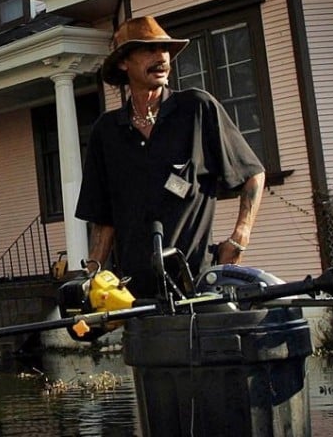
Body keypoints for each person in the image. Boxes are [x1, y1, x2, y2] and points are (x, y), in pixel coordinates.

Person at [74, 16, 265, 299]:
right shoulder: (107, 131)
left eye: (165, 50)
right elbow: (104, 219)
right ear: (124, 63)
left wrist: (240, 238)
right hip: (134, 294)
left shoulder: (196, 109)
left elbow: (252, 174)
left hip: (198, 285)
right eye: (149, 50)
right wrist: (92, 276)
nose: (161, 57)